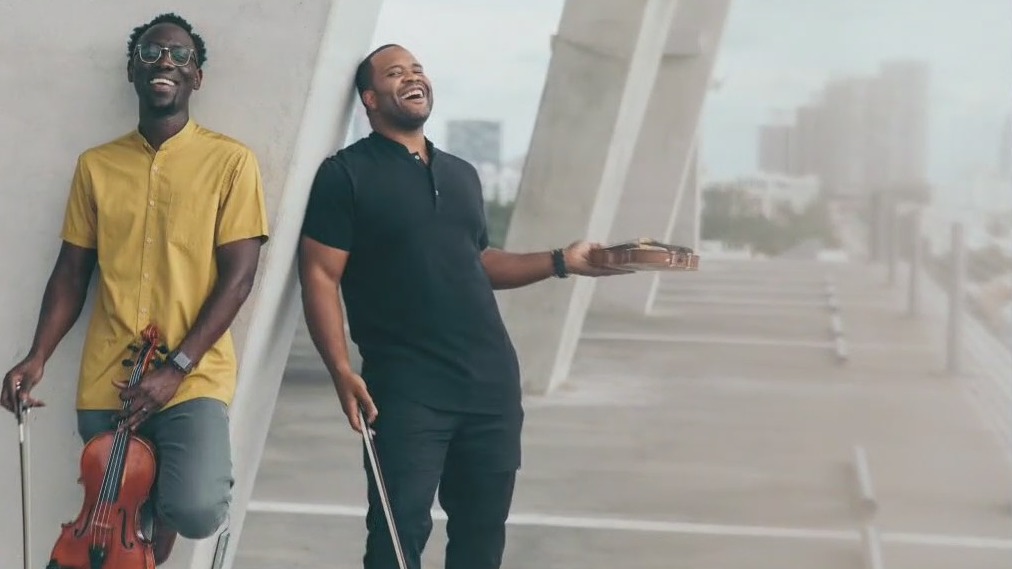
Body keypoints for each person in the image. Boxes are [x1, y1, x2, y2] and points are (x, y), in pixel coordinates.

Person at [298, 43, 627, 569]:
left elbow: (478, 261)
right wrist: (340, 368)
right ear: (370, 97)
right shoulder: (345, 175)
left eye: (417, 69)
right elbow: (320, 273)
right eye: (394, 72)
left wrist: (563, 260)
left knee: (481, 538)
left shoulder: (461, 174)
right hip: (406, 391)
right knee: (396, 538)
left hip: (490, 386)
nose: (412, 77)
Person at [0, 13, 269, 566]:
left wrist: (177, 367)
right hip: (110, 379)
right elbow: (72, 272)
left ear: (198, 77)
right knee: (110, 517)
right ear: (132, 71)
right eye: (151, 54)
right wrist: (36, 356)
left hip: (192, 379)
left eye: (180, 55)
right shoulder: (96, 166)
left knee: (193, 505)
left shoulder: (231, 162)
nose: (165, 61)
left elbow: (239, 277)